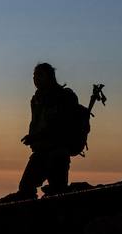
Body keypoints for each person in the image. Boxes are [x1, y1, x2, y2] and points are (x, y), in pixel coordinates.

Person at [17, 63, 80, 198]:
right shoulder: (36, 99)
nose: (35, 79)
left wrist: (35, 137)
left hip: (58, 152)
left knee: (57, 191)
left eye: (39, 75)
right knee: (26, 186)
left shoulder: (63, 97)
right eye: (34, 76)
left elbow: (59, 126)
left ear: (49, 77)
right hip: (40, 151)